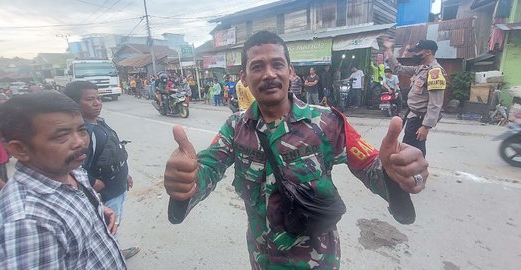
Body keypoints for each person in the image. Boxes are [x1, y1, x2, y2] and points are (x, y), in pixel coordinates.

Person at [164, 31, 428, 269]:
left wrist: (397, 174)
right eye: (257, 66)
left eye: (277, 64)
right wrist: (185, 182)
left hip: (317, 263)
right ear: (243, 77)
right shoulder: (235, 128)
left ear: (290, 72)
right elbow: (207, 168)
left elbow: (371, 167)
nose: (269, 74)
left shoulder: (328, 122)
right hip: (262, 260)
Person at [0, 92, 126, 269]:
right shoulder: (27, 224)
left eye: (81, 130)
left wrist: (96, 210)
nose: (80, 142)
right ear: (19, 149)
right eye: (61, 136)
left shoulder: (71, 169)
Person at [63, 81, 140, 260]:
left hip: (117, 186)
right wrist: (92, 183)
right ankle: (114, 256)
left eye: (98, 98)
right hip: (105, 194)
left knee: (115, 222)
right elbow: (74, 167)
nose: (97, 102)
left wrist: (124, 174)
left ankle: (115, 251)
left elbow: (113, 152)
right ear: (75, 103)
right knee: (109, 227)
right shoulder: (83, 133)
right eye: (90, 99)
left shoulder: (100, 123)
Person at [384, 39, 446, 156]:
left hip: (419, 119)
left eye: (417, 51)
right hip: (411, 115)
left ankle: (418, 173)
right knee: (409, 148)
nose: (414, 54)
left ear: (427, 52)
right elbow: (398, 69)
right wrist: (389, 51)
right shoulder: (421, 68)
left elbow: (435, 103)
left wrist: (426, 126)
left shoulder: (435, 72)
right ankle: (414, 172)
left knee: (414, 151)